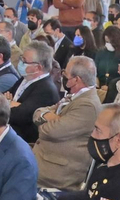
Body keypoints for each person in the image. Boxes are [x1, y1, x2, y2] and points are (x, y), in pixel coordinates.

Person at [29, 56, 102, 192]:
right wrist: (51, 116)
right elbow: (37, 112)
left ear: (76, 80)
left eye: (65, 74)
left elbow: (51, 131)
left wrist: (46, 119)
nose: (63, 76)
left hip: (57, 172)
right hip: (43, 157)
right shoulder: (74, 96)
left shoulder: (88, 105)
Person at [8, 42, 60, 145]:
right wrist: (10, 103)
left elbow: (20, 116)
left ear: (38, 67)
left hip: (24, 139)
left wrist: (7, 103)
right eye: (21, 58)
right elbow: (4, 95)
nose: (21, 63)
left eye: (25, 61)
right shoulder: (25, 78)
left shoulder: (46, 90)